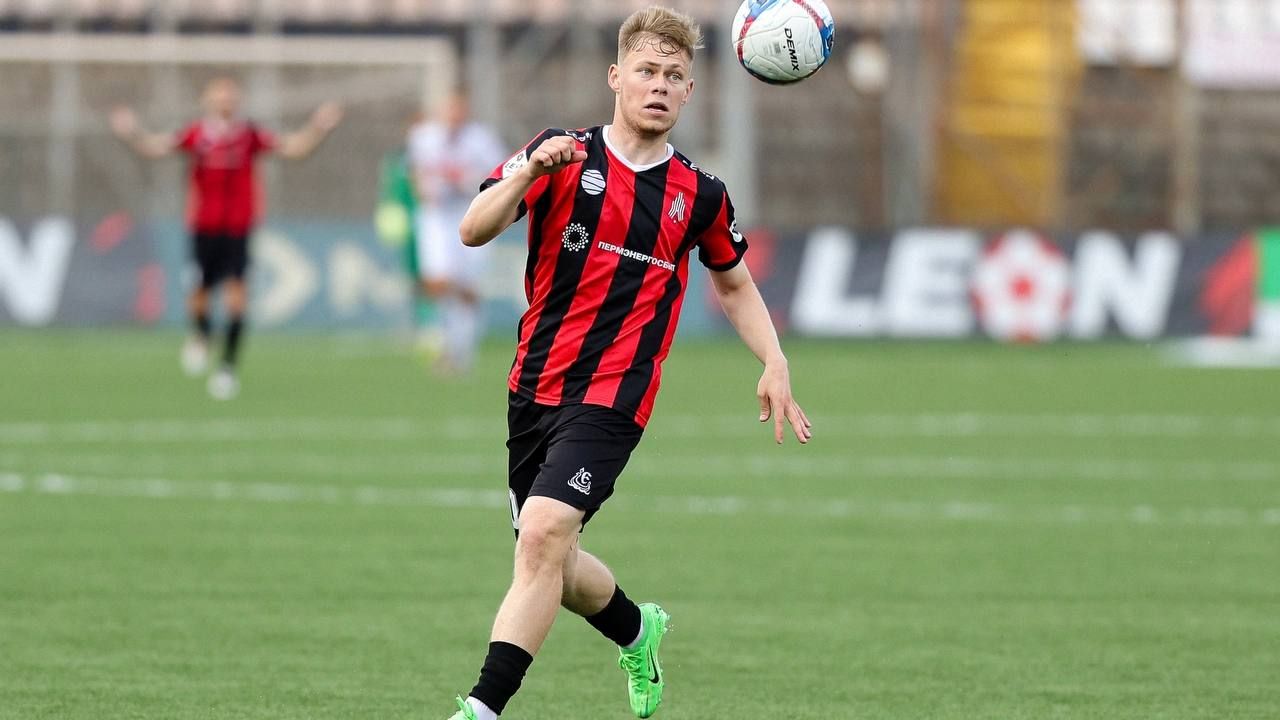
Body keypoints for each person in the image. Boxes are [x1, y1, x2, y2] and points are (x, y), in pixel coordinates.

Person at [445, 7, 812, 720]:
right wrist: (526, 173)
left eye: (674, 75)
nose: (660, 85)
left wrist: (774, 358)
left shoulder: (701, 195)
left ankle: (481, 710)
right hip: (534, 384)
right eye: (647, 70)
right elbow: (471, 228)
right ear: (616, 77)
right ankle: (638, 630)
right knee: (552, 563)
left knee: (542, 537)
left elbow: (734, 284)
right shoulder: (559, 154)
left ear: (689, 92)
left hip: (616, 395)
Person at [109, 77, 343, 399]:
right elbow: (154, 148)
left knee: (237, 298)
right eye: (219, 96)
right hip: (204, 228)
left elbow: (295, 149)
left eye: (230, 96)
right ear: (207, 101)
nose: (225, 101)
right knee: (199, 294)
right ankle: (202, 335)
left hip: (238, 229)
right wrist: (132, 131)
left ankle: (227, 367)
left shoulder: (250, 136)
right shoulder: (196, 134)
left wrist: (318, 127)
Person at [408, 91, 506, 373]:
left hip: (470, 213)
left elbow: (500, 175)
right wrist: (423, 190)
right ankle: (444, 338)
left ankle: (460, 349)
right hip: (436, 216)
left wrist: (467, 182)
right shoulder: (424, 137)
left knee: (466, 283)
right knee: (437, 281)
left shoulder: (481, 139)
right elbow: (416, 171)